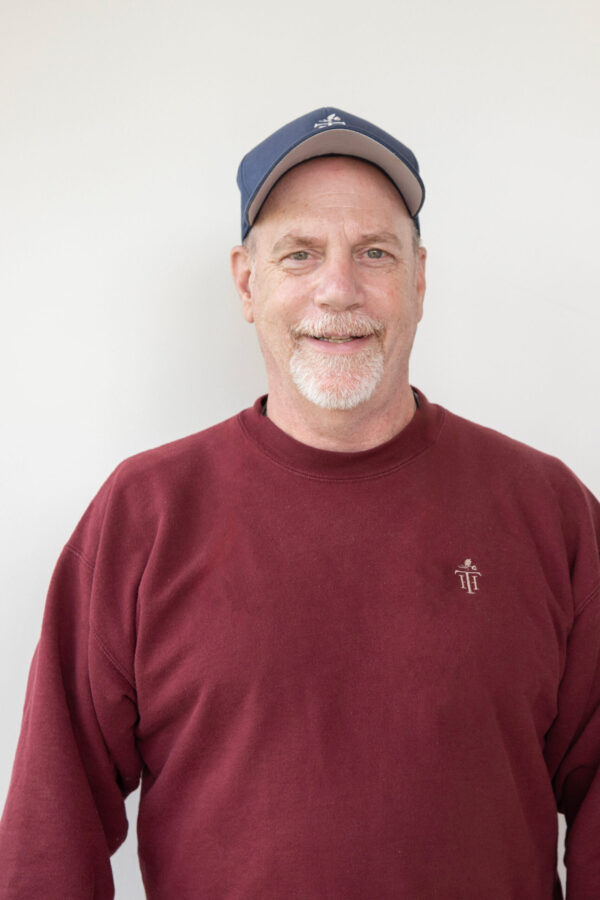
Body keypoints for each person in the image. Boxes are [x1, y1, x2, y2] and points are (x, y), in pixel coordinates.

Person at [0, 107, 598, 899]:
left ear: (419, 280)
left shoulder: (547, 509)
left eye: (374, 253)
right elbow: (51, 829)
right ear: (249, 283)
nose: (339, 289)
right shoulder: (143, 516)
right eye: (300, 254)